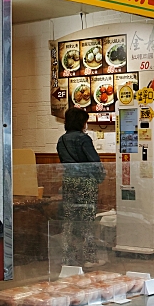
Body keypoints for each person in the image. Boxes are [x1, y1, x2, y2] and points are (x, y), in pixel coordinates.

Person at [56, 107, 106, 266]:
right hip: (85, 182)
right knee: (87, 220)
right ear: (81, 122)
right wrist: (100, 178)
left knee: (69, 220)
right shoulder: (84, 139)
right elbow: (94, 162)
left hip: (69, 182)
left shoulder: (61, 140)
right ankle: (89, 258)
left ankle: (67, 257)